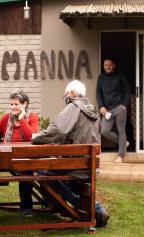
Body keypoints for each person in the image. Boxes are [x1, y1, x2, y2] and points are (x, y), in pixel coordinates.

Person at [32, 80, 109, 228]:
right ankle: (92, 208)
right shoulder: (92, 109)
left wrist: (36, 138)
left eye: (66, 94)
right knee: (67, 180)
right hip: (89, 164)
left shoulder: (73, 107)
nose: (65, 97)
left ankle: (77, 208)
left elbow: (58, 130)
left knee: (42, 172)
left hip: (74, 164)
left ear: (73, 94)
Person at [0, 91, 38, 217]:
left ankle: (26, 207)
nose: (13, 107)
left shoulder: (31, 117)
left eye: (16, 104)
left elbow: (32, 138)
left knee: (26, 171)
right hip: (7, 157)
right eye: (11, 104)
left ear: (25, 104)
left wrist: (22, 120)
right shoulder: (6, 118)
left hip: (26, 157)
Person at [96, 58, 130, 163]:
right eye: (105, 65)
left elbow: (127, 91)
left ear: (113, 65)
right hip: (107, 110)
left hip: (119, 108)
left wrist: (124, 105)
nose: (107, 67)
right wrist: (101, 106)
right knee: (104, 131)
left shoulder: (120, 76)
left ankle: (121, 156)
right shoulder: (101, 78)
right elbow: (98, 93)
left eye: (109, 65)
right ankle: (124, 143)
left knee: (121, 130)